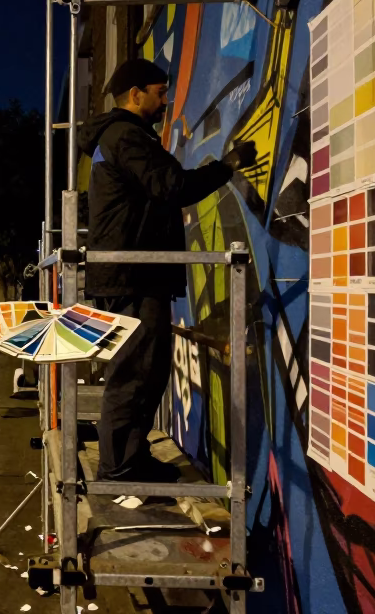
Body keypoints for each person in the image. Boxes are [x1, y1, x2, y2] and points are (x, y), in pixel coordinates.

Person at [79, 58, 257, 483]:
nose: (166, 101)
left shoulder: (118, 137)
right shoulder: (127, 137)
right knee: (136, 374)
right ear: (135, 94)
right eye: (160, 93)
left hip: (132, 273)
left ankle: (128, 460)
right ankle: (120, 468)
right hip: (134, 275)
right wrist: (227, 165)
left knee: (142, 371)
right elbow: (172, 186)